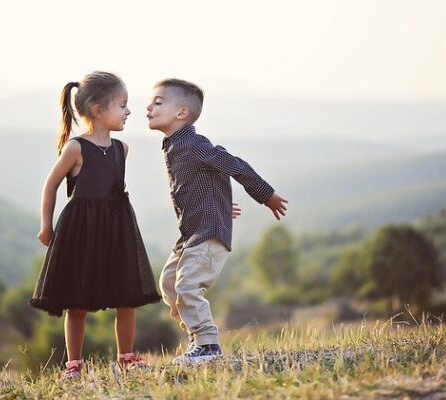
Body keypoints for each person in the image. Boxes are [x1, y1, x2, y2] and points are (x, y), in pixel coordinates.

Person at [146, 78, 288, 363]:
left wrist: (266, 195)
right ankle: (198, 339)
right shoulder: (173, 146)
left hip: (208, 233)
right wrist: (220, 205)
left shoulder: (195, 144)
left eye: (158, 102)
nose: (148, 107)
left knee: (187, 286)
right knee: (170, 285)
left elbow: (233, 165)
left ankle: (208, 344)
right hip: (191, 234)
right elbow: (200, 184)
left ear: (181, 113)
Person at [30, 71, 161, 378]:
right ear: (98, 110)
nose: (129, 112)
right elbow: (51, 186)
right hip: (81, 231)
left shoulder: (121, 149)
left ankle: (126, 356)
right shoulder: (76, 148)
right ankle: (74, 364)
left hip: (116, 231)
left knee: (125, 295)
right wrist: (45, 226)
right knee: (77, 301)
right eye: (122, 105)